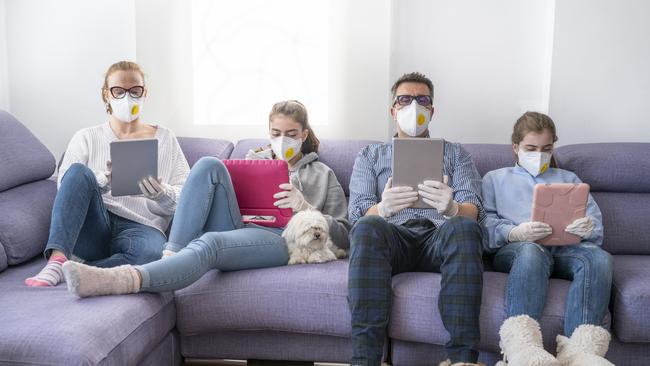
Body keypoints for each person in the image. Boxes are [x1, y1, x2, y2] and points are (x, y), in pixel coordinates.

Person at [61, 100, 351, 297]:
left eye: (291, 133)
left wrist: (305, 207)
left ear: (304, 134)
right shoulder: (253, 160)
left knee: (210, 243)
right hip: (241, 223)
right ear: (268, 132)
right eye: (276, 133)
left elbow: (344, 233)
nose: (283, 139)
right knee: (208, 164)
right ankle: (171, 256)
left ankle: (125, 279)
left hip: (279, 239)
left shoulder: (322, 173)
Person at [347, 72, 486, 366]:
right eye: (405, 100)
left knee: (463, 226)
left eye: (422, 100)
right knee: (368, 225)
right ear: (393, 110)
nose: (414, 107)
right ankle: (366, 361)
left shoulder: (456, 153)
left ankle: (462, 360)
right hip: (393, 238)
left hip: (440, 237)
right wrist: (382, 209)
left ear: (432, 111)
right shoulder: (370, 156)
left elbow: (474, 208)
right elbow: (357, 210)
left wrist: (453, 209)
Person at [25, 61, 189, 287]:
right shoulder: (86, 137)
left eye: (135, 91)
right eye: (119, 91)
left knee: (151, 256)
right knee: (79, 172)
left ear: (144, 93)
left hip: (141, 227)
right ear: (106, 94)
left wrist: (162, 193)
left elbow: (187, 196)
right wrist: (102, 181)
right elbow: (67, 188)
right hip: (94, 224)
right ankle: (57, 260)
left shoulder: (165, 138)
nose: (127, 97)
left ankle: (75, 272)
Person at [483, 112, 613, 366]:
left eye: (546, 148)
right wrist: (514, 232)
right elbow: (484, 224)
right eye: (530, 148)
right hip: (518, 249)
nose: (539, 155)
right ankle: (523, 348)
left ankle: (581, 352)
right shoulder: (494, 179)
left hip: (564, 248)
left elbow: (595, 225)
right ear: (515, 147)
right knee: (531, 251)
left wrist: (587, 228)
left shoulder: (569, 179)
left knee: (599, 258)